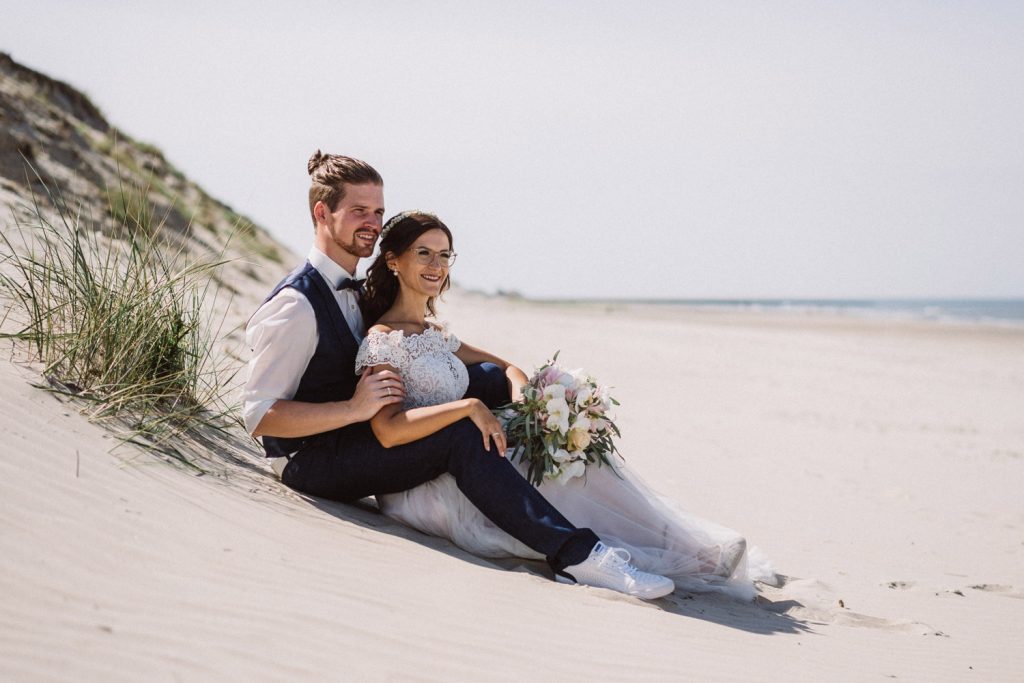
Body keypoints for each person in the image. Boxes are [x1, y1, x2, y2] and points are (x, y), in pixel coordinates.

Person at [242, 152, 676, 600]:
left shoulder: (358, 295)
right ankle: (575, 556)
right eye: (358, 211)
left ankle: (594, 510)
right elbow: (259, 417)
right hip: (310, 460)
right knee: (460, 433)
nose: (371, 222)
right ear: (321, 213)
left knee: (487, 378)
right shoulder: (296, 305)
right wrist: (354, 408)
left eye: (377, 211)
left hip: (357, 435)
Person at [355, 210, 775, 600]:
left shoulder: (434, 334)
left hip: (471, 458)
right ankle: (596, 560)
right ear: (393, 261)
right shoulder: (384, 340)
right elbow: (387, 429)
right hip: (427, 483)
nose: (437, 265)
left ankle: (686, 548)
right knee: (553, 477)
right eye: (424, 253)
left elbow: (508, 368)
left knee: (576, 460)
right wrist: (466, 408)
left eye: (445, 255)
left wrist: (526, 403)